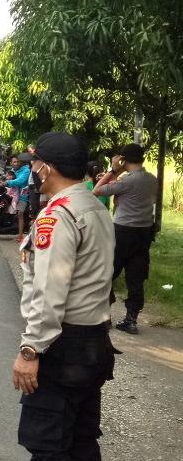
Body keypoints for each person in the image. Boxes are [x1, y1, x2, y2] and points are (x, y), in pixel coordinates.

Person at [0, 132, 117, 461]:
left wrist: (30, 350)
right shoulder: (95, 207)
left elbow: (48, 292)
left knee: (48, 446)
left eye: (36, 165)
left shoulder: (58, 216)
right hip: (94, 343)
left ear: (47, 167)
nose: (33, 172)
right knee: (82, 440)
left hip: (62, 347)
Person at [92, 143, 159, 335]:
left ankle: (104, 317)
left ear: (123, 160)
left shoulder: (127, 181)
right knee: (136, 276)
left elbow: (97, 190)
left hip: (122, 231)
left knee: (108, 273)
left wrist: (113, 170)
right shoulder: (152, 180)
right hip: (144, 232)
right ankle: (131, 320)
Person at [6, 153, 33, 242]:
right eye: (14, 162)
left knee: (20, 213)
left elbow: (20, 181)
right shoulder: (13, 170)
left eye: (17, 162)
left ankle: (20, 235)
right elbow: (7, 177)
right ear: (11, 163)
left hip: (23, 196)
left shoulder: (26, 171)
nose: (16, 163)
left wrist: (8, 183)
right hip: (14, 195)